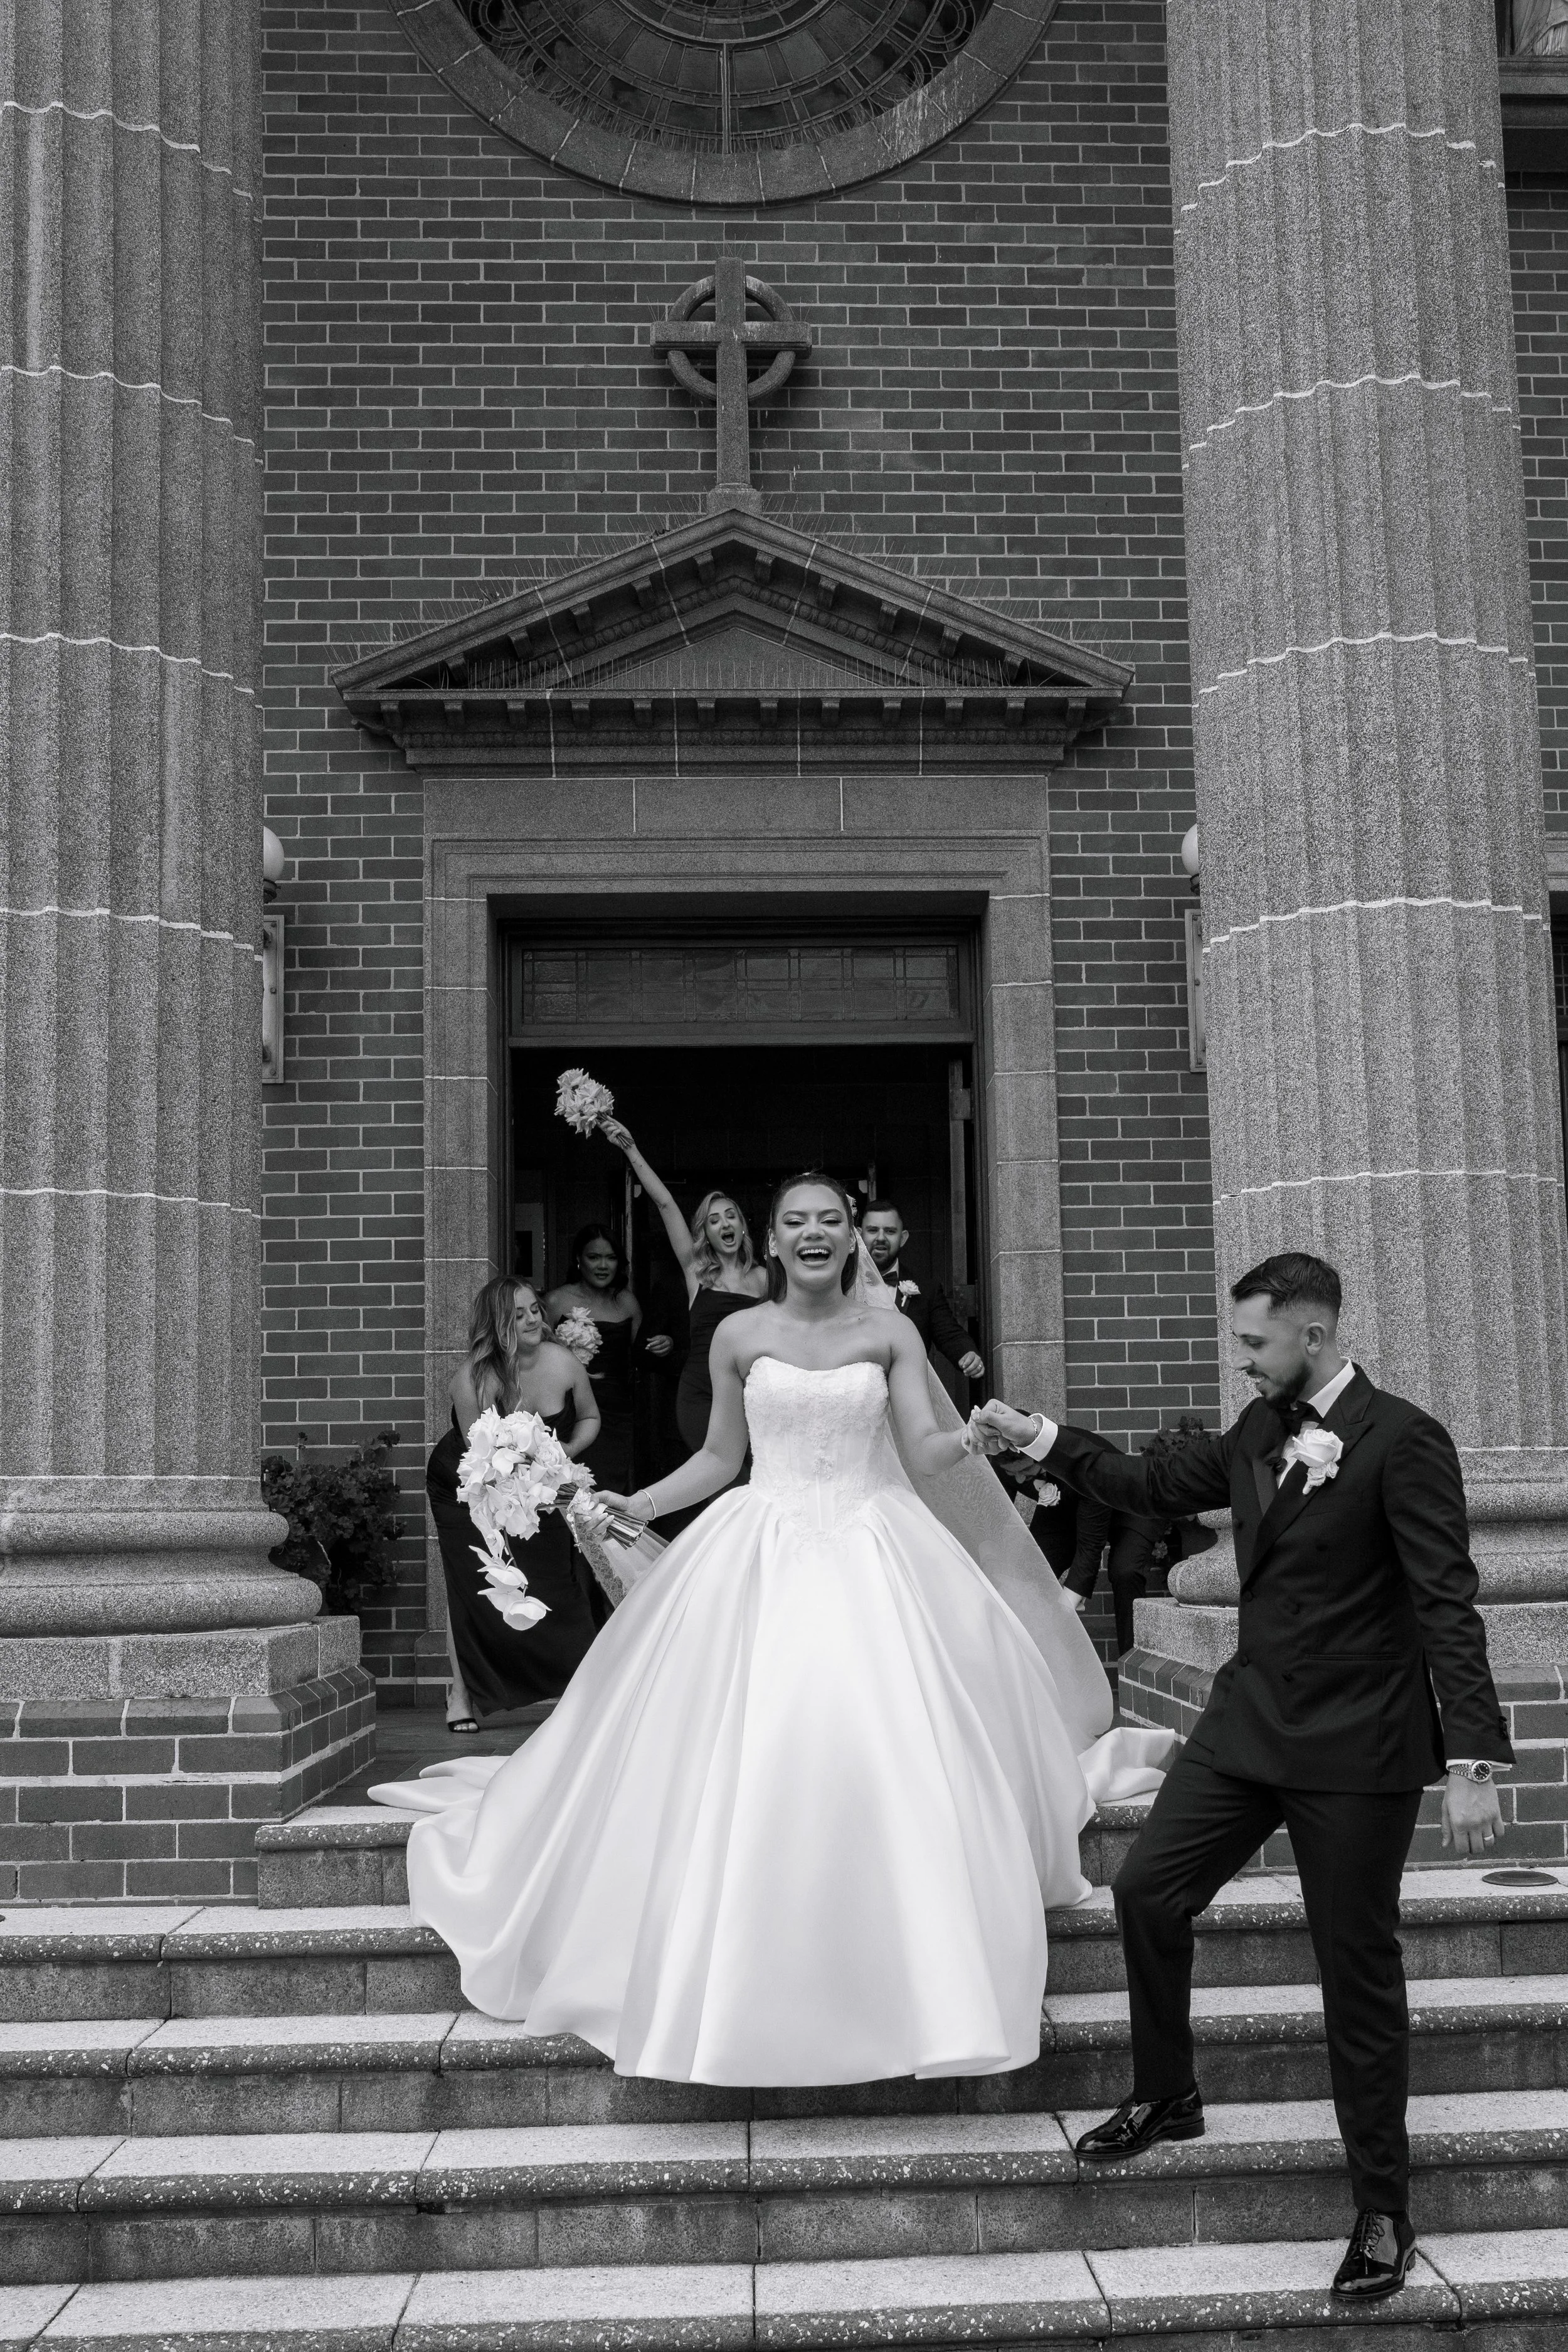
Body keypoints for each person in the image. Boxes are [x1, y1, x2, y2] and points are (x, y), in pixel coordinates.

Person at [370, 1172, 1169, 2085]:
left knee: (888, 1733)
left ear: (848, 1238)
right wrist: (641, 1498)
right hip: (766, 1534)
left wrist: (975, 1442)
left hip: (878, 1540)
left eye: (831, 1219)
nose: (817, 1232)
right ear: (774, 1239)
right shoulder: (741, 1334)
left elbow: (921, 1449)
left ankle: (910, 1951)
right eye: (798, 1221)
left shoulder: (892, 1331)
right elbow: (720, 1456)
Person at [970, 1249, 1513, 2304]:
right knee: (1146, 1889)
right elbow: (1146, 1484)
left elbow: (1448, 1601)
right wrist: (1036, 1436)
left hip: (1359, 1749)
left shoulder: (1405, 1443)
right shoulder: (1260, 1431)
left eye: (1256, 1343)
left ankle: (1384, 2210)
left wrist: (1473, 1757)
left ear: (1313, 1336)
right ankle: (1169, 2092)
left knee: (1354, 1966)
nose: (1244, 1361)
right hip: (1251, 1722)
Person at [427, 1276, 604, 1731]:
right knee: (474, 1578)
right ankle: (462, 1692)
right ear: (497, 1323)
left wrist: (562, 1455)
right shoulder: (472, 1378)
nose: (531, 1320)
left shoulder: (562, 1361)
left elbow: (589, 1415)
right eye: (517, 1314)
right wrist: (529, 1480)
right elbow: (480, 1457)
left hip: (541, 1483)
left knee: (554, 1577)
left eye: (534, 1310)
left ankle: (577, 1683)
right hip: (469, 1484)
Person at [598, 1119, 768, 1456]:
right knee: (718, 1483)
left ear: (743, 1226)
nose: (724, 1223)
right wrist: (630, 1148)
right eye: (713, 1220)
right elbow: (665, 1204)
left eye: (730, 1215)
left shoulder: (765, 1279)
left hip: (754, 1393)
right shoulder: (697, 1272)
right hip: (701, 1394)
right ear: (705, 1234)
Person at [544, 1224, 672, 1493]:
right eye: (594, 1257)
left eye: (611, 1258)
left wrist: (667, 1344)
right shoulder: (556, 1301)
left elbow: (643, 1357)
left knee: (610, 1492)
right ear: (579, 1259)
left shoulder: (627, 1302)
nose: (603, 1265)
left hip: (617, 1414)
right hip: (571, 1413)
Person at [859, 1198, 985, 1385]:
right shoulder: (841, 1285)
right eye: (872, 1230)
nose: (880, 1238)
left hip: (908, 1395)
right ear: (859, 1236)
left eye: (890, 1231)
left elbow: (949, 1334)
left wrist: (968, 1354)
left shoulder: (927, 1289)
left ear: (903, 1238)